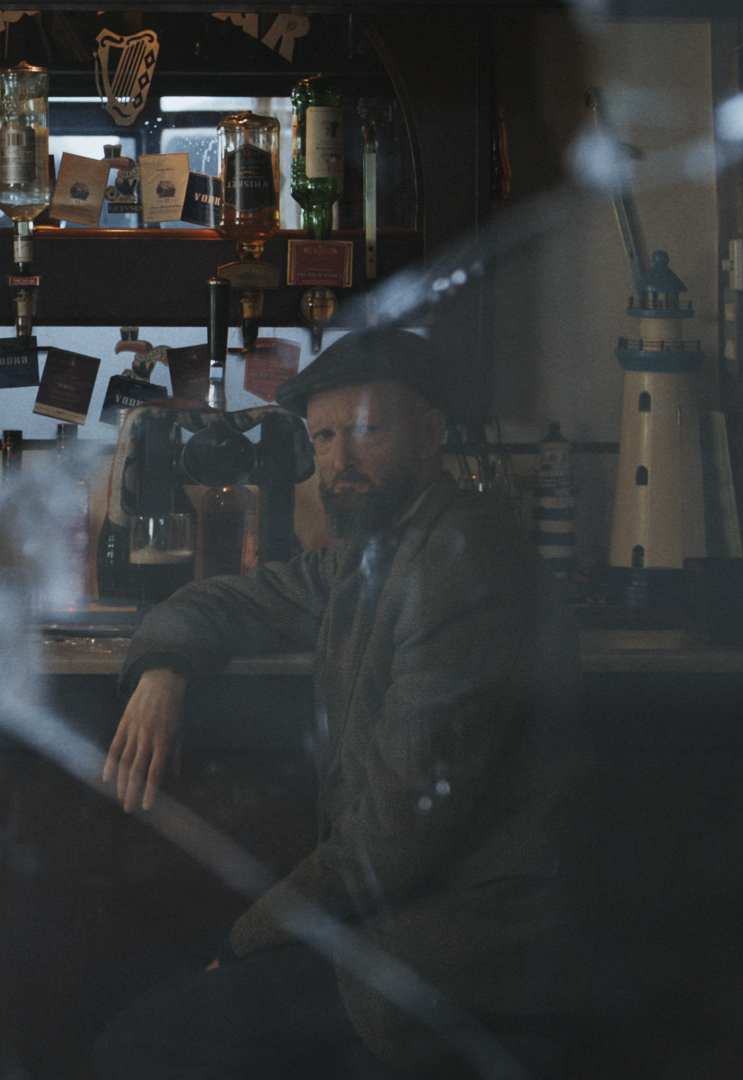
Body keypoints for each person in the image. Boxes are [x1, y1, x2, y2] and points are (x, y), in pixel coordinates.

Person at [95, 328, 577, 1078]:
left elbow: (393, 840)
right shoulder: (376, 552)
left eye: (365, 431)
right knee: (112, 998)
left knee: (142, 1039)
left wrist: (242, 946)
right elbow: (236, 599)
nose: (339, 460)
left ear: (430, 435)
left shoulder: (461, 563)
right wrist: (164, 668)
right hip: (385, 924)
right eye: (323, 437)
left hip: (460, 951)